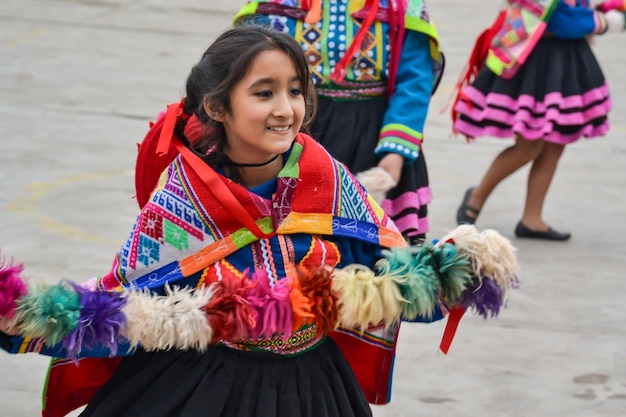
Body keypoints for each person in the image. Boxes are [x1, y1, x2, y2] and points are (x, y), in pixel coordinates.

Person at [0, 26, 519, 417]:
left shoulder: (329, 180)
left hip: (314, 390)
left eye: (295, 90)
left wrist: (454, 273)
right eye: (264, 92)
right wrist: (23, 319)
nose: (287, 109)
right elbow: (123, 314)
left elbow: (394, 283)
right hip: (200, 389)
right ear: (217, 106)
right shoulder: (182, 202)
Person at [234, 0, 445, 245]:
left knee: (381, 249)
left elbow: (414, 82)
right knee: (298, 242)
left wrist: (395, 151)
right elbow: (248, 69)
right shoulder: (276, 4)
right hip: (301, 129)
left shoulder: (402, 7)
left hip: (375, 137)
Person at [450, 0, 624, 241]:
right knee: (528, 145)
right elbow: (563, 21)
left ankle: (532, 218)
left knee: (555, 142)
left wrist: (605, 8)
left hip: (564, 59)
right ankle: (476, 197)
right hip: (531, 59)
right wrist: (606, 21)